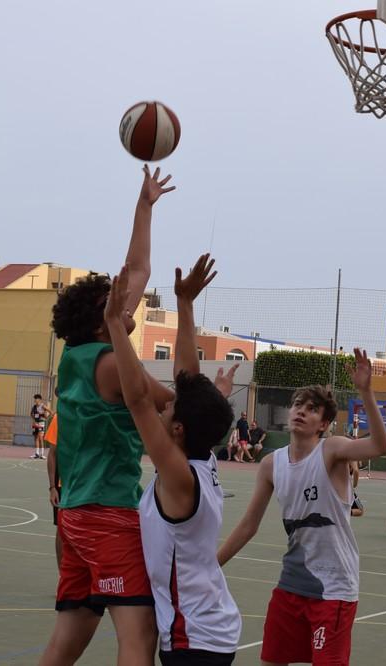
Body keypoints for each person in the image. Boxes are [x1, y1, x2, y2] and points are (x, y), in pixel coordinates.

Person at [39, 165, 174, 666]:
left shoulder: (77, 357)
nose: (127, 295)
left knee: (68, 638)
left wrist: (145, 205)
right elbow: (164, 399)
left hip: (74, 515)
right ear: (104, 317)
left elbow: (136, 270)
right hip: (108, 514)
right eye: (113, 300)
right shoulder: (112, 364)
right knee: (139, 637)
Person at [106, 257, 241, 665]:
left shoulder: (180, 477)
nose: (163, 409)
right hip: (208, 631)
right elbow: (187, 375)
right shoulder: (202, 460)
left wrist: (115, 325)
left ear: (178, 429)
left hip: (194, 640)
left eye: (171, 410)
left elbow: (137, 400)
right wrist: (185, 304)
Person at [217, 349, 386, 666]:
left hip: (334, 587)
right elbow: (247, 526)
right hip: (291, 584)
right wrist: (212, 566)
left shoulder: (332, 451)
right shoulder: (271, 464)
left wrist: (365, 391)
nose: (300, 411)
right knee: (270, 660)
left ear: (323, 423)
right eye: (297, 405)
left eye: (311, 409)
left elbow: (380, 446)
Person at [45, 412, 63, 566]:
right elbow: (52, 454)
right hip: (65, 486)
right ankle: (62, 575)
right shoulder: (60, 417)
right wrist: (52, 487)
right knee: (62, 530)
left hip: (88, 485)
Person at [31, 394, 52, 460]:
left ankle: (42, 454)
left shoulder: (43, 406)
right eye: (34, 398)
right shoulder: (34, 407)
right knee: (36, 438)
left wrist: (46, 417)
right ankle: (37, 454)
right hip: (35, 423)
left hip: (41, 423)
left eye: (36, 398)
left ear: (39, 399)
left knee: (40, 437)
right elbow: (31, 414)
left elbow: (50, 411)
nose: (35, 400)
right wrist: (34, 420)